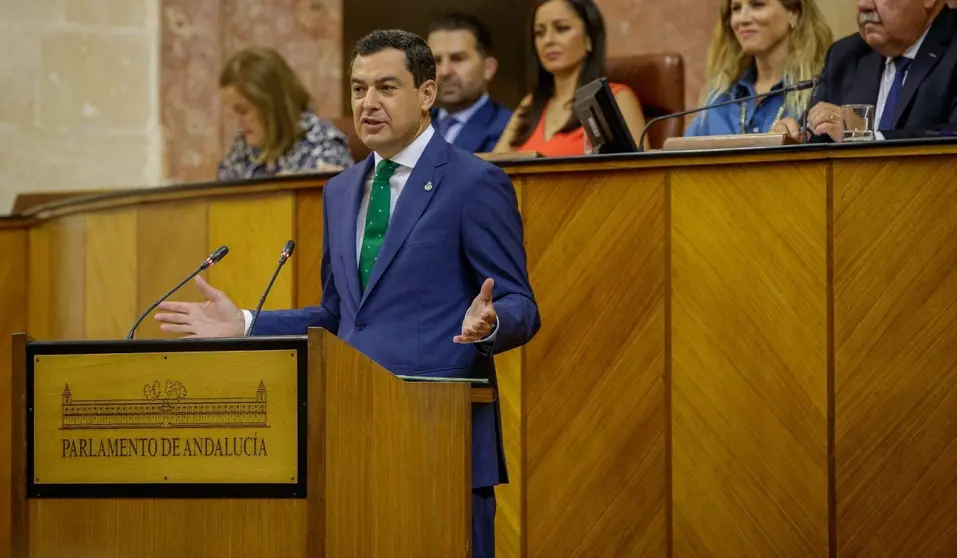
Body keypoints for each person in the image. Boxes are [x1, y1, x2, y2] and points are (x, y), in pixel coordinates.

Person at [154, 29, 540, 558]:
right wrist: (245, 323)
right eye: (359, 90)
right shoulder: (339, 191)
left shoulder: (475, 184)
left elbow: (521, 304)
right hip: (352, 431)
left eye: (386, 87)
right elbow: (339, 317)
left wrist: (491, 323)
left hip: (437, 435)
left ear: (426, 94)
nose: (369, 103)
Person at [772, 0, 957, 142]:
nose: (863, 5)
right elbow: (817, 134)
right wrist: (795, 136)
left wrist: (863, 135)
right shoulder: (845, 56)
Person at [491, 0, 648, 156]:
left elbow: (641, 174)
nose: (548, 40)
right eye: (539, 33)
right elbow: (492, 166)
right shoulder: (530, 104)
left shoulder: (618, 98)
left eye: (561, 28)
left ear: (589, 39)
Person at [686, 0, 832, 137]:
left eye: (757, 5)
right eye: (736, 8)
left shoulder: (821, 90)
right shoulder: (721, 97)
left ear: (793, 13)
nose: (742, 19)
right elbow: (679, 158)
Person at [217, 47, 354, 180]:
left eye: (243, 110)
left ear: (272, 106)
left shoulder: (324, 145)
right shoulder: (243, 147)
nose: (237, 121)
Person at [427, 13, 513, 153]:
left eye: (458, 59)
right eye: (436, 61)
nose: (445, 71)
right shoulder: (411, 127)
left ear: (488, 68)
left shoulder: (509, 129)